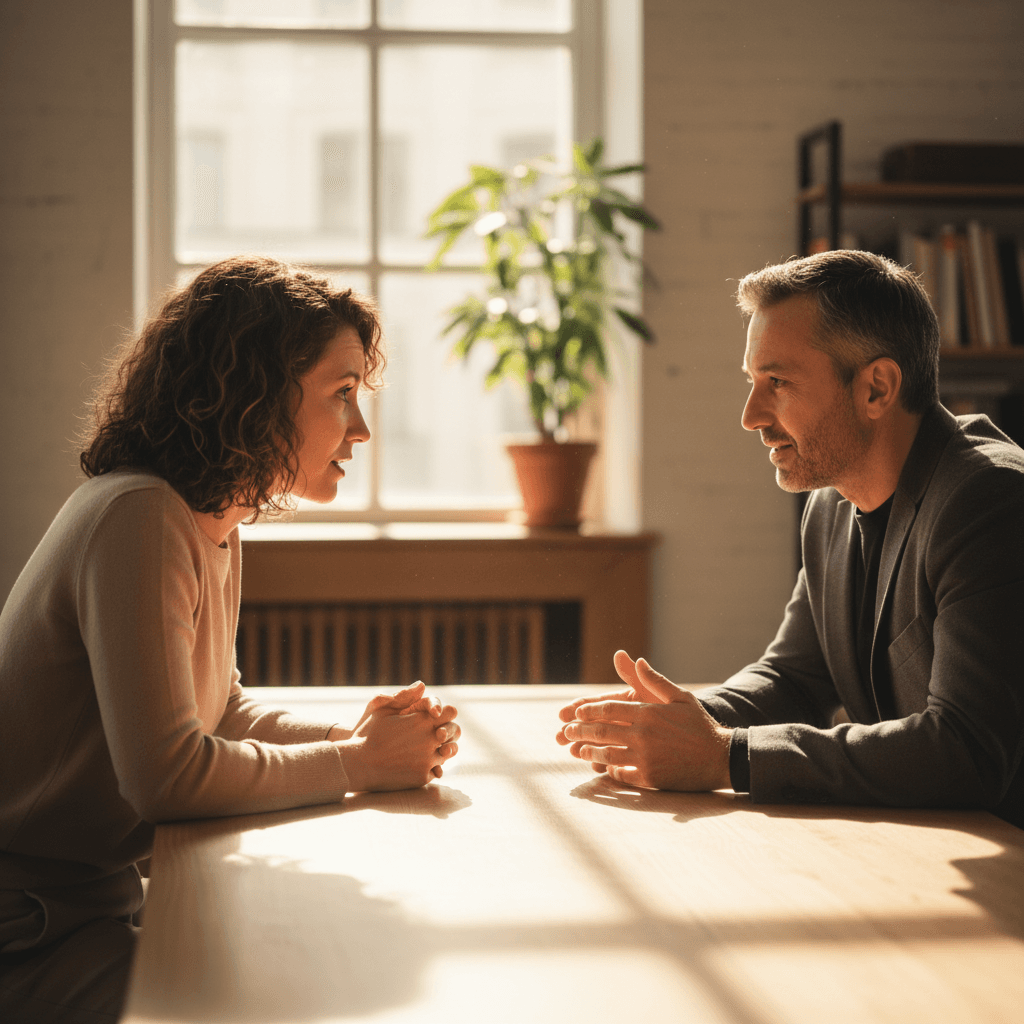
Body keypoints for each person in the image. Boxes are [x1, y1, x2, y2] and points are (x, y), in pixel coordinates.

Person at [0, 256, 461, 1023]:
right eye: (341, 394)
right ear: (257, 396)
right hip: (30, 931)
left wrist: (362, 736)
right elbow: (168, 777)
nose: (362, 428)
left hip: (92, 907)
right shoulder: (138, 517)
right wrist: (357, 762)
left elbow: (218, 710)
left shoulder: (208, 516)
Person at [557, 249, 1024, 829]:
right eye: (754, 382)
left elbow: (967, 751)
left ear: (876, 388)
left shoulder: (992, 500)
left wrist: (726, 756)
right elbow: (793, 679)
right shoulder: (829, 506)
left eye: (777, 382)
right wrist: (678, 720)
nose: (751, 415)